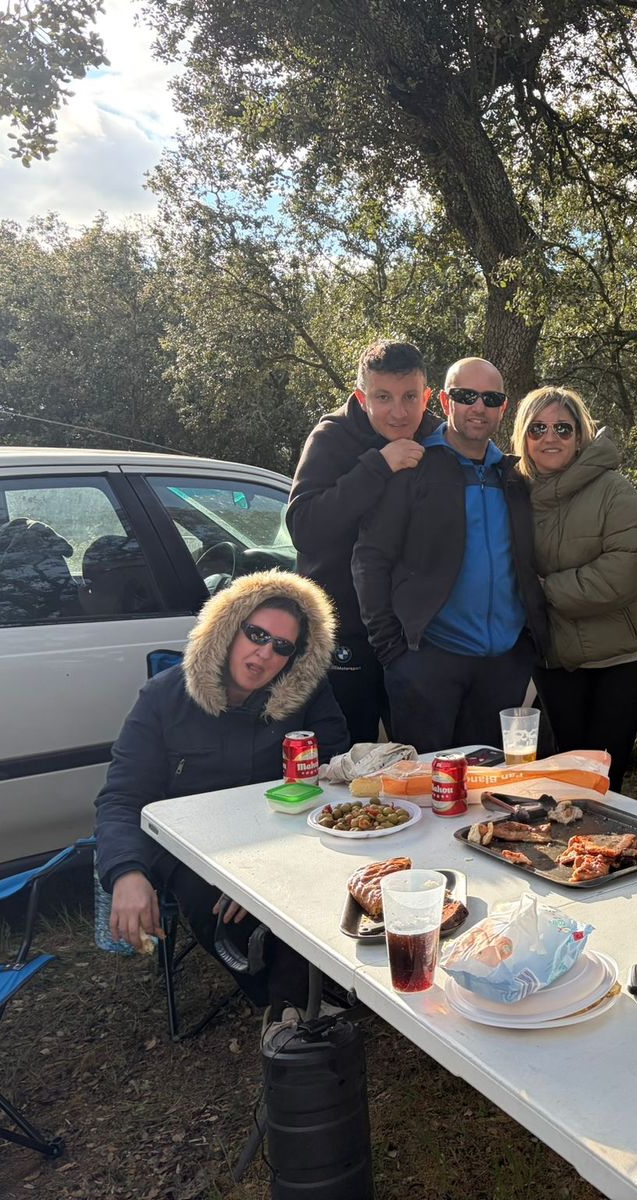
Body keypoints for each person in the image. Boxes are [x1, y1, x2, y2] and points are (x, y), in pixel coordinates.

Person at [95, 570, 351, 1011]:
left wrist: (266, 866)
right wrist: (126, 873)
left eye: (282, 647)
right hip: (190, 847)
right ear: (228, 628)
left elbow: (333, 775)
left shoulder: (308, 693)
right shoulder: (163, 697)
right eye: (257, 634)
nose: (264, 653)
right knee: (221, 905)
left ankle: (302, 1006)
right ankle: (292, 1011)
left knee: (326, 877)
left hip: (283, 834)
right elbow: (121, 797)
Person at [352, 356, 549, 751]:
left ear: (503, 408)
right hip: (427, 661)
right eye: (465, 395)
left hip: (504, 665)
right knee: (428, 785)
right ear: (444, 401)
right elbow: (370, 559)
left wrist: (526, 645)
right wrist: (394, 651)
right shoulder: (411, 467)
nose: (478, 407)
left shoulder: (515, 476)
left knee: (490, 784)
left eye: (490, 398)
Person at [287, 339, 442, 742]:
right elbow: (304, 528)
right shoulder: (331, 438)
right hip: (347, 632)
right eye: (383, 397)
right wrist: (378, 466)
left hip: (417, 635)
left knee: (422, 752)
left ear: (427, 396)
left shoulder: (438, 439)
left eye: (410, 397)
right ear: (362, 397)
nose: (399, 412)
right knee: (346, 752)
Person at [511, 386, 637, 794]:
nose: (550, 437)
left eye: (563, 428)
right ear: (524, 436)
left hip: (617, 658)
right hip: (555, 658)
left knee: (605, 779)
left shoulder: (612, 488)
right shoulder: (514, 493)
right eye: (538, 428)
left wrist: (548, 589)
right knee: (565, 774)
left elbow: (629, 565)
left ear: (580, 437)